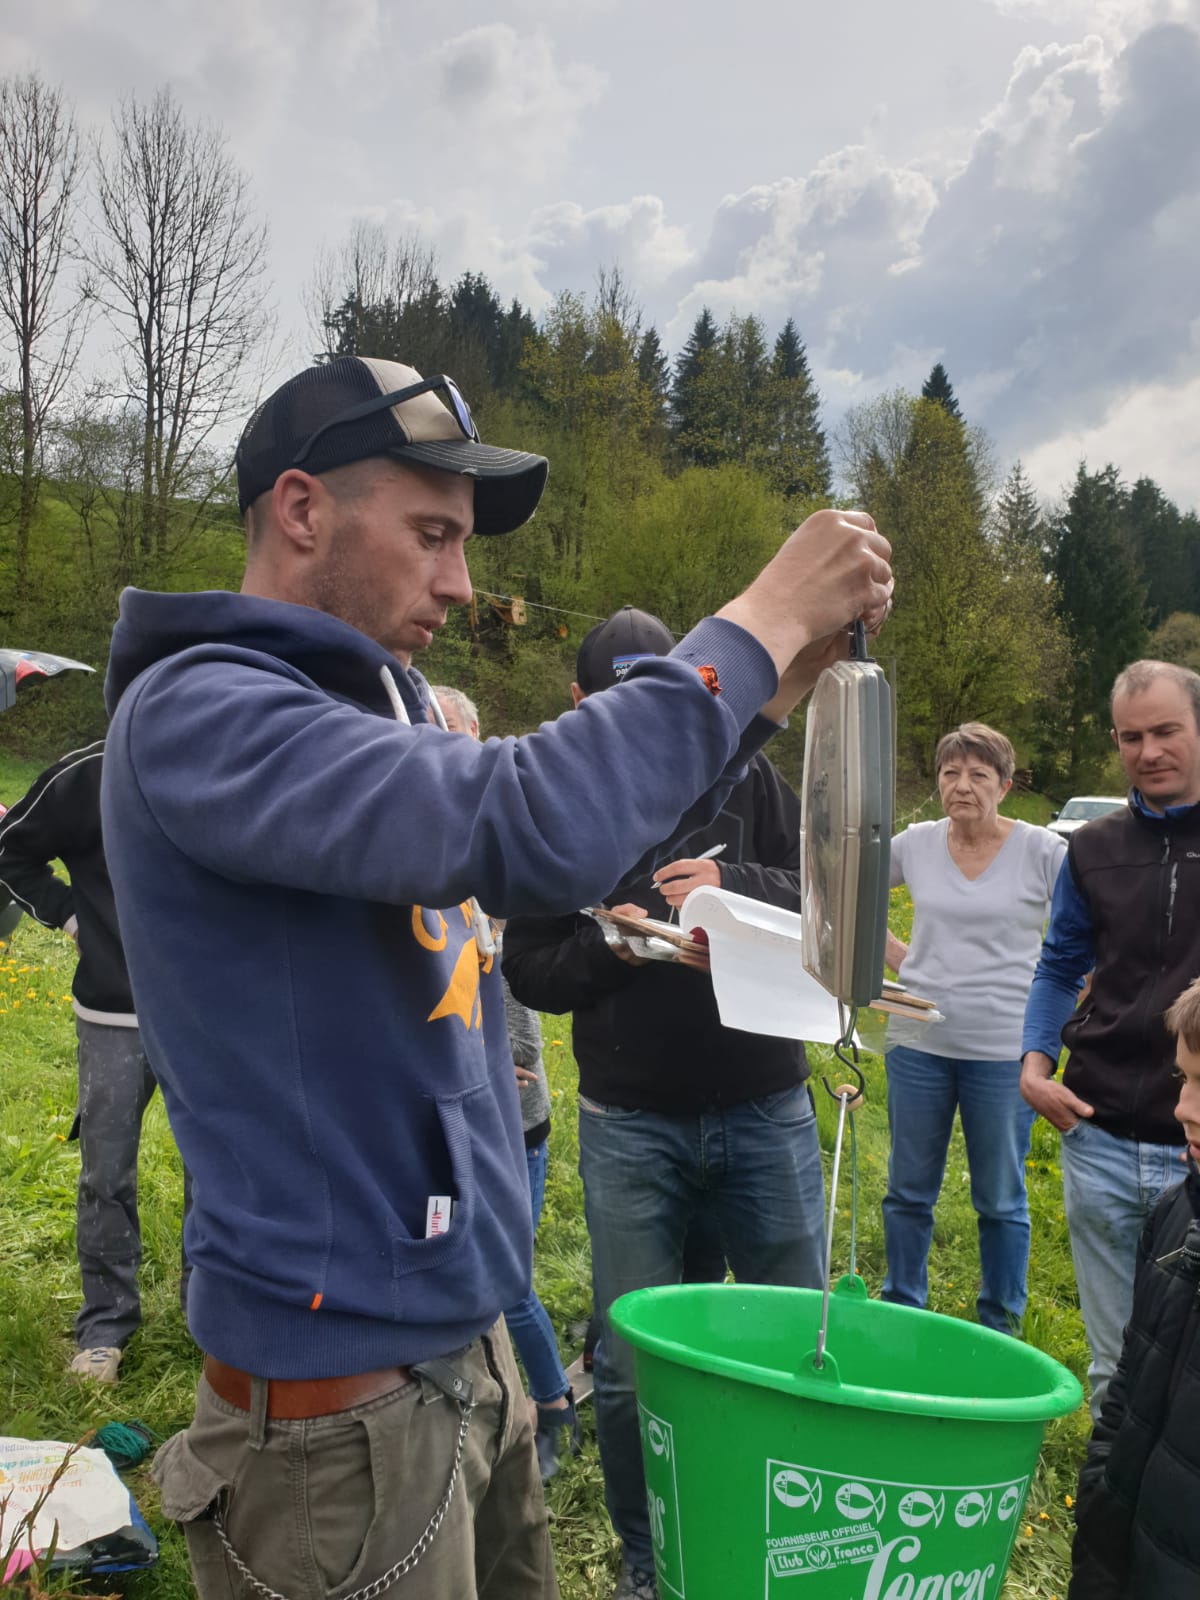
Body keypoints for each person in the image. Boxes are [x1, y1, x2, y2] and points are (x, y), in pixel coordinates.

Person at [98, 354, 892, 1600]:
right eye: (432, 535)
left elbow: (580, 819)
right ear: (301, 509)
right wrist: (759, 619)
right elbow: (529, 820)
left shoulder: (376, 712)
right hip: (335, 1427)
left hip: (468, 1359)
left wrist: (767, 695)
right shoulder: (206, 714)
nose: (463, 582)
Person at [502, 606, 827, 1600]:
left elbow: (828, 898)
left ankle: (792, 1546)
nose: (642, 715)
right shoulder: (558, 803)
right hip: (630, 1123)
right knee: (632, 1361)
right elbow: (531, 969)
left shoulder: (747, 777)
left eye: (659, 692)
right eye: (619, 697)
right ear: (580, 701)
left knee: (797, 1338)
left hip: (766, 1104)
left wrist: (731, 886)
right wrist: (614, 944)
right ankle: (650, 1562)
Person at [1022, 661, 1200, 1418]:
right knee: (1114, 1366)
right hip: (1097, 1139)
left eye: (1166, 731)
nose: (1148, 751)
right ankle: (1112, 1493)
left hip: (1194, 1142)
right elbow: (1060, 963)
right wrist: (1034, 1063)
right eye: (1131, 737)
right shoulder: (1091, 848)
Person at [0, 739, 190, 1384]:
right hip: (114, 1011)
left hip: (212, 1018)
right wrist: (69, 916)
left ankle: (210, 1312)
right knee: (106, 1173)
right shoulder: (87, 776)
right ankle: (105, 1326)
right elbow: (9, 850)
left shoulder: (231, 762)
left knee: (217, 1173)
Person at [432, 684, 580, 1481]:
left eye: (451, 734)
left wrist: (494, 1068)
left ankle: (553, 1405)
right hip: (453, 1113)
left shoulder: (498, 864)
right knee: (465, 1271)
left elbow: (518, 1014)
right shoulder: (424, 853)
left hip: (513, 1118)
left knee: (506, 1280)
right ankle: (483, 1407)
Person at [882, 723, 1064, 1335]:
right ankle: (902, 1309)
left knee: (1000, 1197)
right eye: (950, 773)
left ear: (1005, 786)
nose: (961, 786)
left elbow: (1086, 933)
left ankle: (999, 1326)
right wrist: (902, 960)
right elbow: (847, 888)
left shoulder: (1043, 851)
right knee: (907, 1189)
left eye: (978, 775)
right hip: (917, 1044)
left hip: (1003, 1050)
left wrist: (1069, 1006)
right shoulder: (915, 844)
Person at [1067, 974, 1200, 1599]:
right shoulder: (1175, 1218)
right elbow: (1125, 1393)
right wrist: (1097, 1503)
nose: (1183, 1108)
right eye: (1184, 1078)